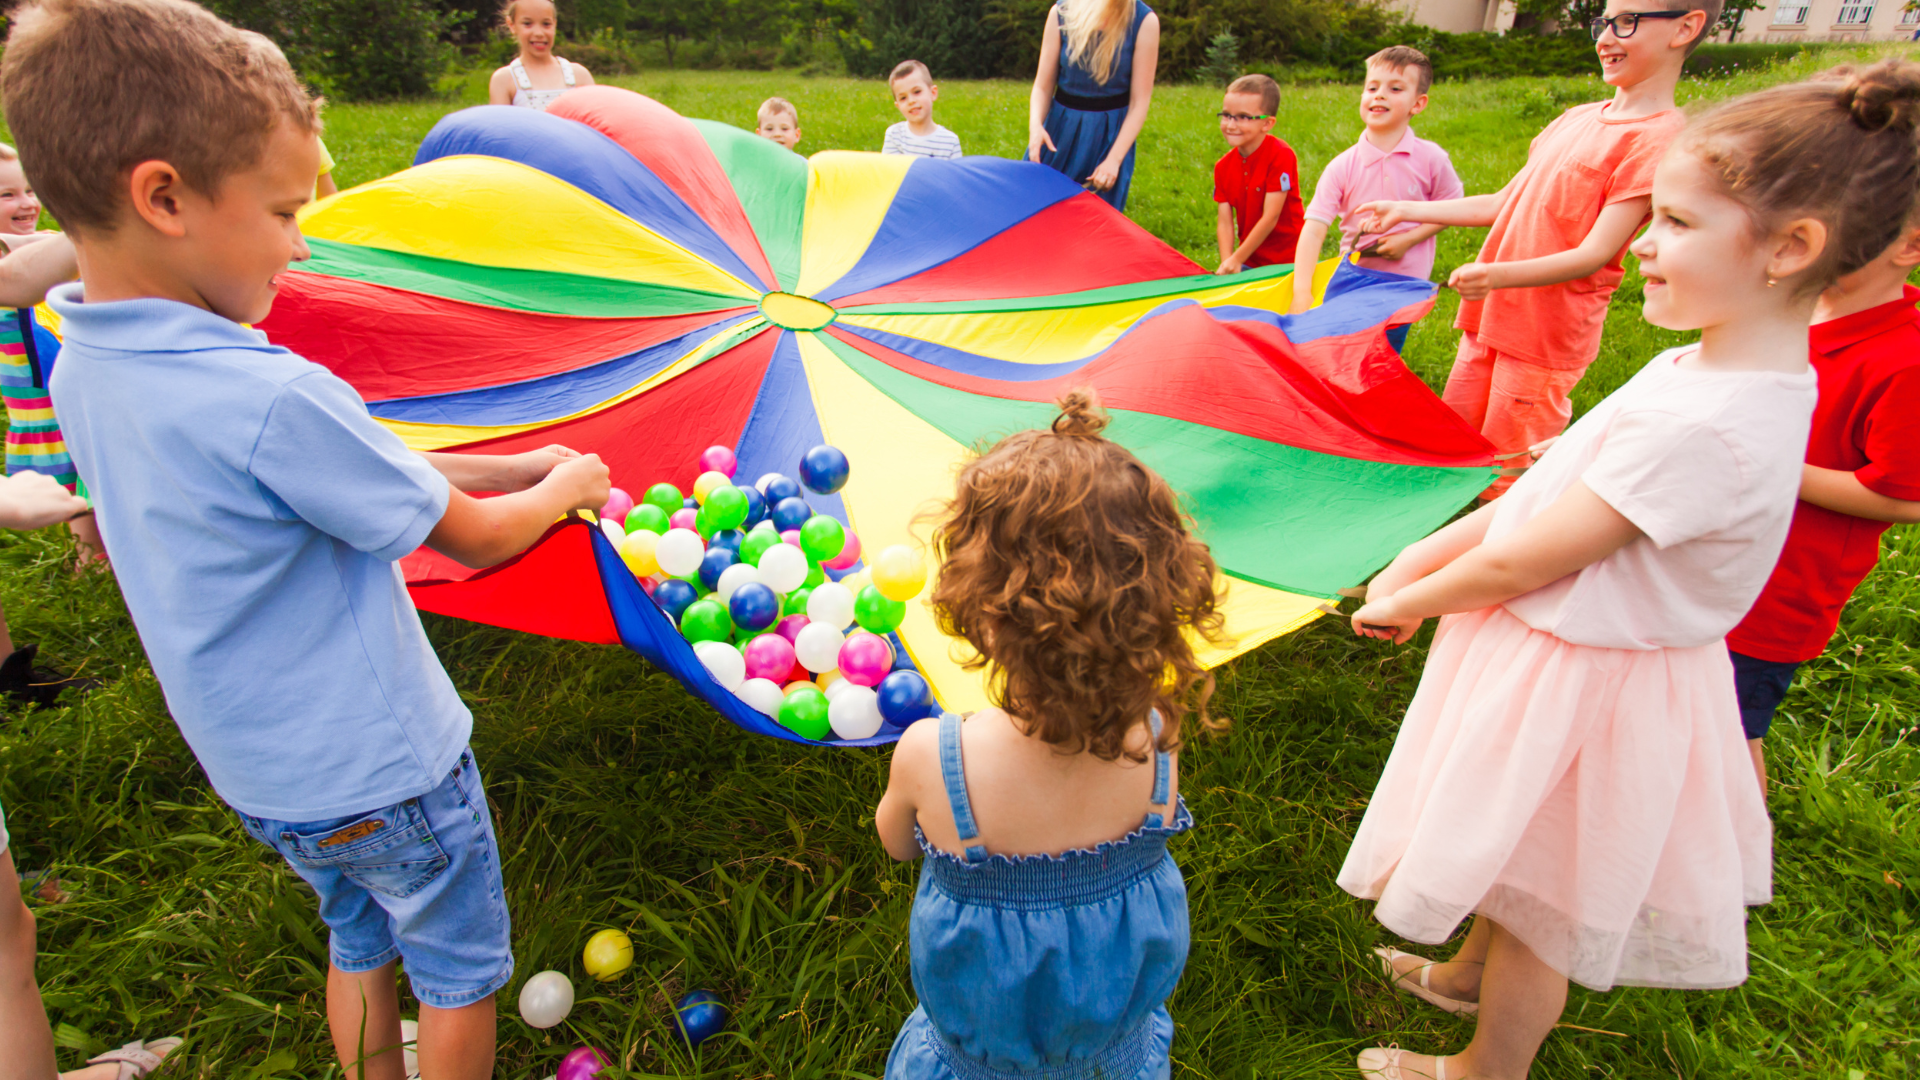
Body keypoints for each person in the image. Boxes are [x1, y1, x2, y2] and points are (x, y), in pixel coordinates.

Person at [1, 3, 612, 1079]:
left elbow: (312, 484)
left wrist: (493, 461)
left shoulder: (84, 361)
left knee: (359, 941)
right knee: (458, 978)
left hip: (266, 775)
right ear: (165, 197)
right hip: (391, 767)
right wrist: (563, 485)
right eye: (284, 210)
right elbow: (468, 543)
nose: (300, 239)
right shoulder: (271, 390)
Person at [1337, 61, 1920, 1080]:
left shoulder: (1717, 420)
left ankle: (1487, 1064)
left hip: (1591, 687)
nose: (1641, 243)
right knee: (1514, 862)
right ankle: (1470, 972)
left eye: (1680, 225)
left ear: (1792, 248)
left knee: (1545, 909)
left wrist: (1414, 598)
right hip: (1570, 657)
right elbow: (1554, 479)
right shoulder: (1707, 363)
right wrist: (1431, 548)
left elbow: (1535, 547)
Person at [875, 391, 1223, 1079]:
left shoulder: (936, 757)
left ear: (983, 613)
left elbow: (893, 844)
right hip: (1111, 1059)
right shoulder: (1155, 740)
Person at [1356, 0, 1717, 498]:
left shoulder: (1658, 140)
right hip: (1490, 317)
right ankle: (1438, 530)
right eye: (1603, 23)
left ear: (1687, 27)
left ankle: (1495, 553)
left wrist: (1496, 275)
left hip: (1544, 337)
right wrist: (1407, 208)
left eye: (1626, 22)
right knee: (1458, 445)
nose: (1605, 38)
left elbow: (1595, 252)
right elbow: (1504, 202)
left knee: (1510, 469)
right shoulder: (1576, 119)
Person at [1726, 210, 1920, 797]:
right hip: (1710, 554)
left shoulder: (1903, 361)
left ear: (1910, 245)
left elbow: (1903, 498)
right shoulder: (1785, 309)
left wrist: (1769, 464)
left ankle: (1737, 868)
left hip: (1777, 591)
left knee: (1728, 733)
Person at [1288, 45, 1463, 333]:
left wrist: (1409, 239)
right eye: (1372, 87)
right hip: (1351, 280)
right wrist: (1302, 292)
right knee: (1343, 352)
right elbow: (1314, 228)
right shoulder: (1342, 166)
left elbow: (1455, 208)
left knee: (1385, 356)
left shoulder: (1431, 159)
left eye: (1395, 89)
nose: (1379, 94)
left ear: (1417, 104)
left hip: (1406, 286)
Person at [1026, 0, 1157, 211]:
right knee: (1033, 212)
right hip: (1058, 132)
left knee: (1093, 228)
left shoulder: (1144, 21)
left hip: (1107, 140)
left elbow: (1139, 103)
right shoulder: (1061, 12)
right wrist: (1035, 127)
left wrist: (1113, 160)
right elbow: (1042, 86)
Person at [1213, 73, 1303, 275]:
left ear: (1267, 123)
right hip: (1250, 261)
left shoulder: (1280, 155)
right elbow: (1225, 222)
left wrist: (1237, 258)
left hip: (1290, 261)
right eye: (1227, 115)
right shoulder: (1222, 167)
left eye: (1243, 117)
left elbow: (1271, 217)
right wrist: (1228, 262)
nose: (1231, 124)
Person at [487, 0, 593, 111]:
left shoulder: (579, 76)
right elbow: (499, 126)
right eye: (527, 24)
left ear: (555, 24)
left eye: (546, 24)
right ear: (511, 25)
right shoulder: (504, 80)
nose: (539, 33)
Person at [881, 60, 962, 160]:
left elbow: (954, 175)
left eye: (917, 92)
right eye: (903, 98)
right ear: (898, 106)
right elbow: (891, 172)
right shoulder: (894, 135)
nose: (911, 101)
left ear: (933, 93)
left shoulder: (950, 142)